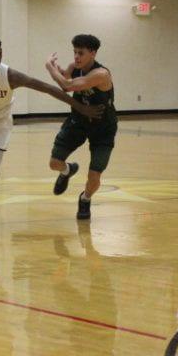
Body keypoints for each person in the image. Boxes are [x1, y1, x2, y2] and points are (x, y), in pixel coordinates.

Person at [0, 36, 103, 226]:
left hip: (1, 123)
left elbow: (47, 88)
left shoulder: (10, 76)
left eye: (0, 51)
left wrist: (80, 107)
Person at [45, 34, 118, 220]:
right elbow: (66, 83)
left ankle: (85, 199)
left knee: (94, 176)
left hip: (103, 127)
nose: (76, 57)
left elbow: (67, 86)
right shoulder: (74, 67)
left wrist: (50, 68)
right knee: (54, 163)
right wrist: (61, 71)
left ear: (93, 53)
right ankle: (67, 170)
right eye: (75, 52)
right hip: (78, 121)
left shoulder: (101, 74)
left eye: (81, 53)